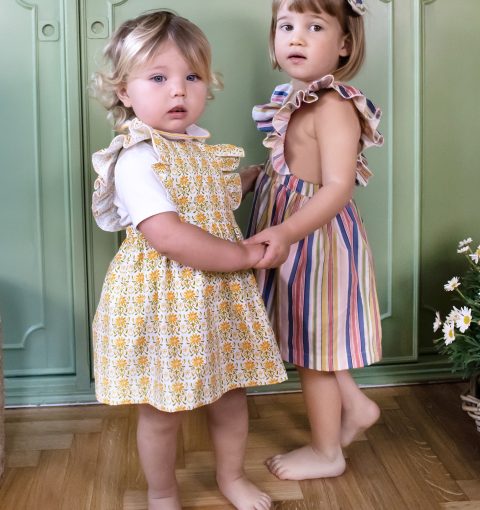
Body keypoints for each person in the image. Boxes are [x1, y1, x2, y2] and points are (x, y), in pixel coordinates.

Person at [90, 10, 287, 510]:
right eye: (158, 78)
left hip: (214, 298)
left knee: (231, 392)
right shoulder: (137, 157)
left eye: (192, 77)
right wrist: (242, 253)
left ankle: (231, 476)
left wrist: (249, 179)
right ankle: (162, 492)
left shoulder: (197, 149)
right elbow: (169, 235)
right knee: (163, 408)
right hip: (166, 301)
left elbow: (207, 197)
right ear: (125, 91)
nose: (178, 90)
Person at [244, 0, 383, 480]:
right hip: (295, 236)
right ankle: (356, 406)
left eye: (315, 26)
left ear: (344, 44)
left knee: (315, 357)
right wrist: (255, 177)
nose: (296, 37)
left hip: (316, 241)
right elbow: (291, 165)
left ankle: (327, 453)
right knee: (311, 335)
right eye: (286, 25)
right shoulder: (294, 97)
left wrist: (286, 230)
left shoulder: (335, 107)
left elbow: (338, 187)